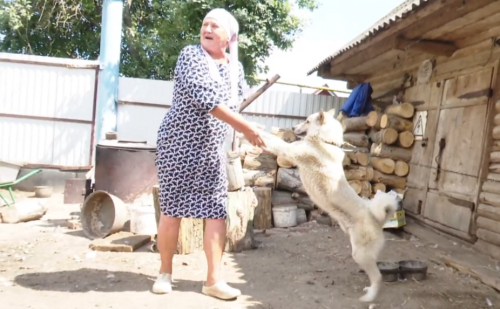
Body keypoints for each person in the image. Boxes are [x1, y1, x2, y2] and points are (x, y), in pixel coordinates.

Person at [152, 8, 265, 300]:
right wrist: (246, 127)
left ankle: (213, 279)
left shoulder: (235, 68)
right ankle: (165, 273)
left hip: (211, 151)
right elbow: (207, 99)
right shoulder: (190, 56)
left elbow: (234, 104)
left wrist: (246, 129)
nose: (208, 27)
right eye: (205, 23)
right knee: (172, 209)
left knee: (216, 212)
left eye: (216, 25)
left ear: (228, 37)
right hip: (178, 143)